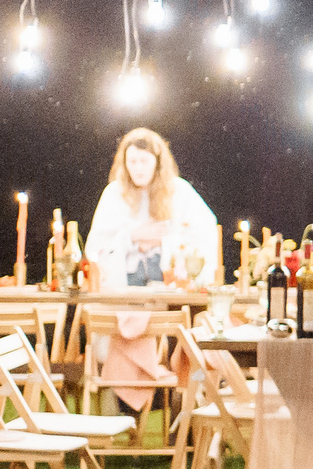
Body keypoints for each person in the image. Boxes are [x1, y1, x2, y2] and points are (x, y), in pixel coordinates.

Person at [82, 128, 220, 416]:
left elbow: (205, 232)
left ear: (158, 162)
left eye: (144, 162)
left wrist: (164, 240)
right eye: (132, 162)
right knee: (119, 327)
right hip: (125, 290)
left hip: (169, 291)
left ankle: (186, 406)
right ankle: (120, 411)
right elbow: (95, 248)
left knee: (190, 331)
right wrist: (132, 237)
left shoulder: (179, 192)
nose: (138, 169)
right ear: (124, 163)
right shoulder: (114, 194)